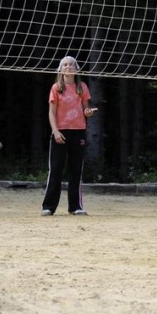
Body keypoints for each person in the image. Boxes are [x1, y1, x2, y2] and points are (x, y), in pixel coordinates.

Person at [41, 56, 97, 216]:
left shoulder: (82, 87)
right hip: (60, 132)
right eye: (65, 64)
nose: (68, 66)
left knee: (76, 170)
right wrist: (55, 131)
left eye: (71, 64)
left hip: (78, 131)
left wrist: (88, 112)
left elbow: (86, 110)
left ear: (76, 69)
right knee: (56, 169)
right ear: (61, 69)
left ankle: (75, 206)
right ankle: (48, 206)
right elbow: (51, 113)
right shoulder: (56, 88)